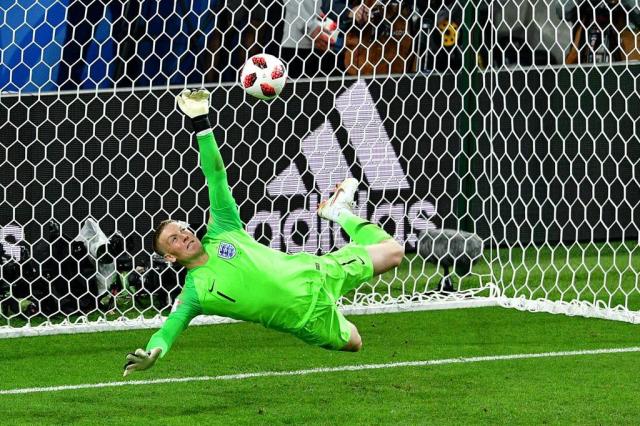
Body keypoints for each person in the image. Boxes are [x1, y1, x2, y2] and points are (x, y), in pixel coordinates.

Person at [123, 88, 404, 376]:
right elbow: (168, 330)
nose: (184, 234)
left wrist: (200, 121)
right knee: (355, 342)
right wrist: (154, 351)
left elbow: (216, 175)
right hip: (306, 318)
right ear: (170, 257)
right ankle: (338, 213)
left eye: (182, 228)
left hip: (316, 271)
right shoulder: (194, 292)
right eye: (175, 238)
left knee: (394, 252)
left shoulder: (222, 228)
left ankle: (339, 212)